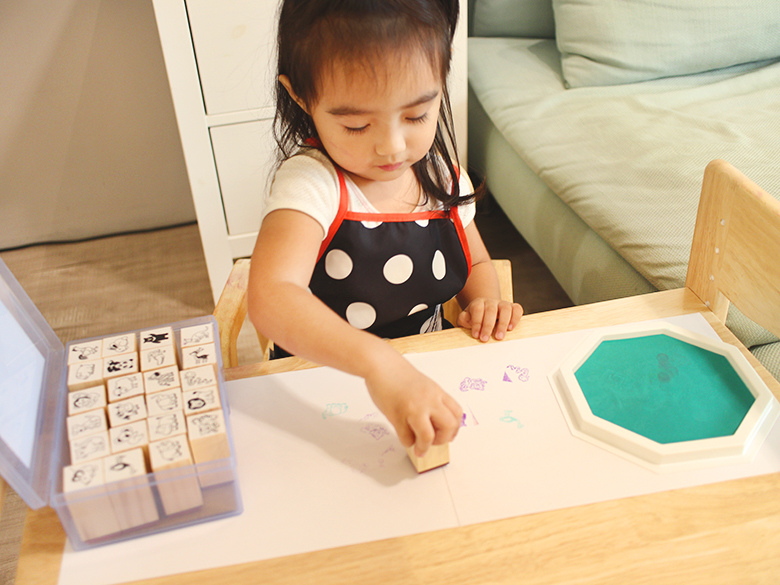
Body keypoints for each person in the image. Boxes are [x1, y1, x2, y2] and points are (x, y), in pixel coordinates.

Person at [248, 0, 523, 458]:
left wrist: (484, 303)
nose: (392, 147)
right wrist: (380, 365)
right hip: (325, 384)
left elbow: (474, 261)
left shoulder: (442, 177)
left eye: (416, 115)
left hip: (428, 376)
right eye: (356, 125)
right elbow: (272, 295)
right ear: (300, 96)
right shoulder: (312, 184)